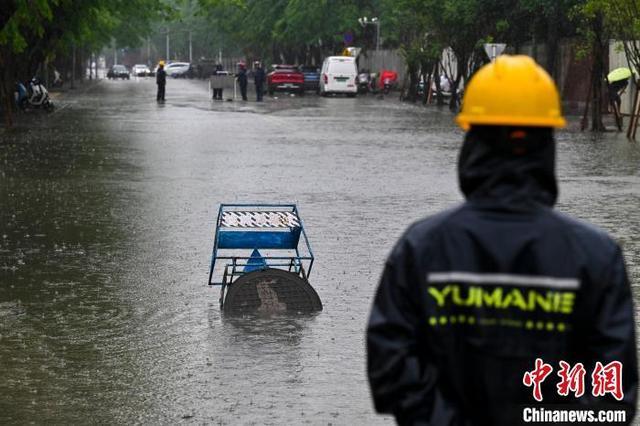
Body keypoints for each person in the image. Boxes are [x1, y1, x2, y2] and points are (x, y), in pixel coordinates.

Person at [367, 55, 637, 425]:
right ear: (548, 144)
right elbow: (613, 396)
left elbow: (389, 373)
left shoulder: (422, 248)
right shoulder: (596, 257)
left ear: (472, 140)